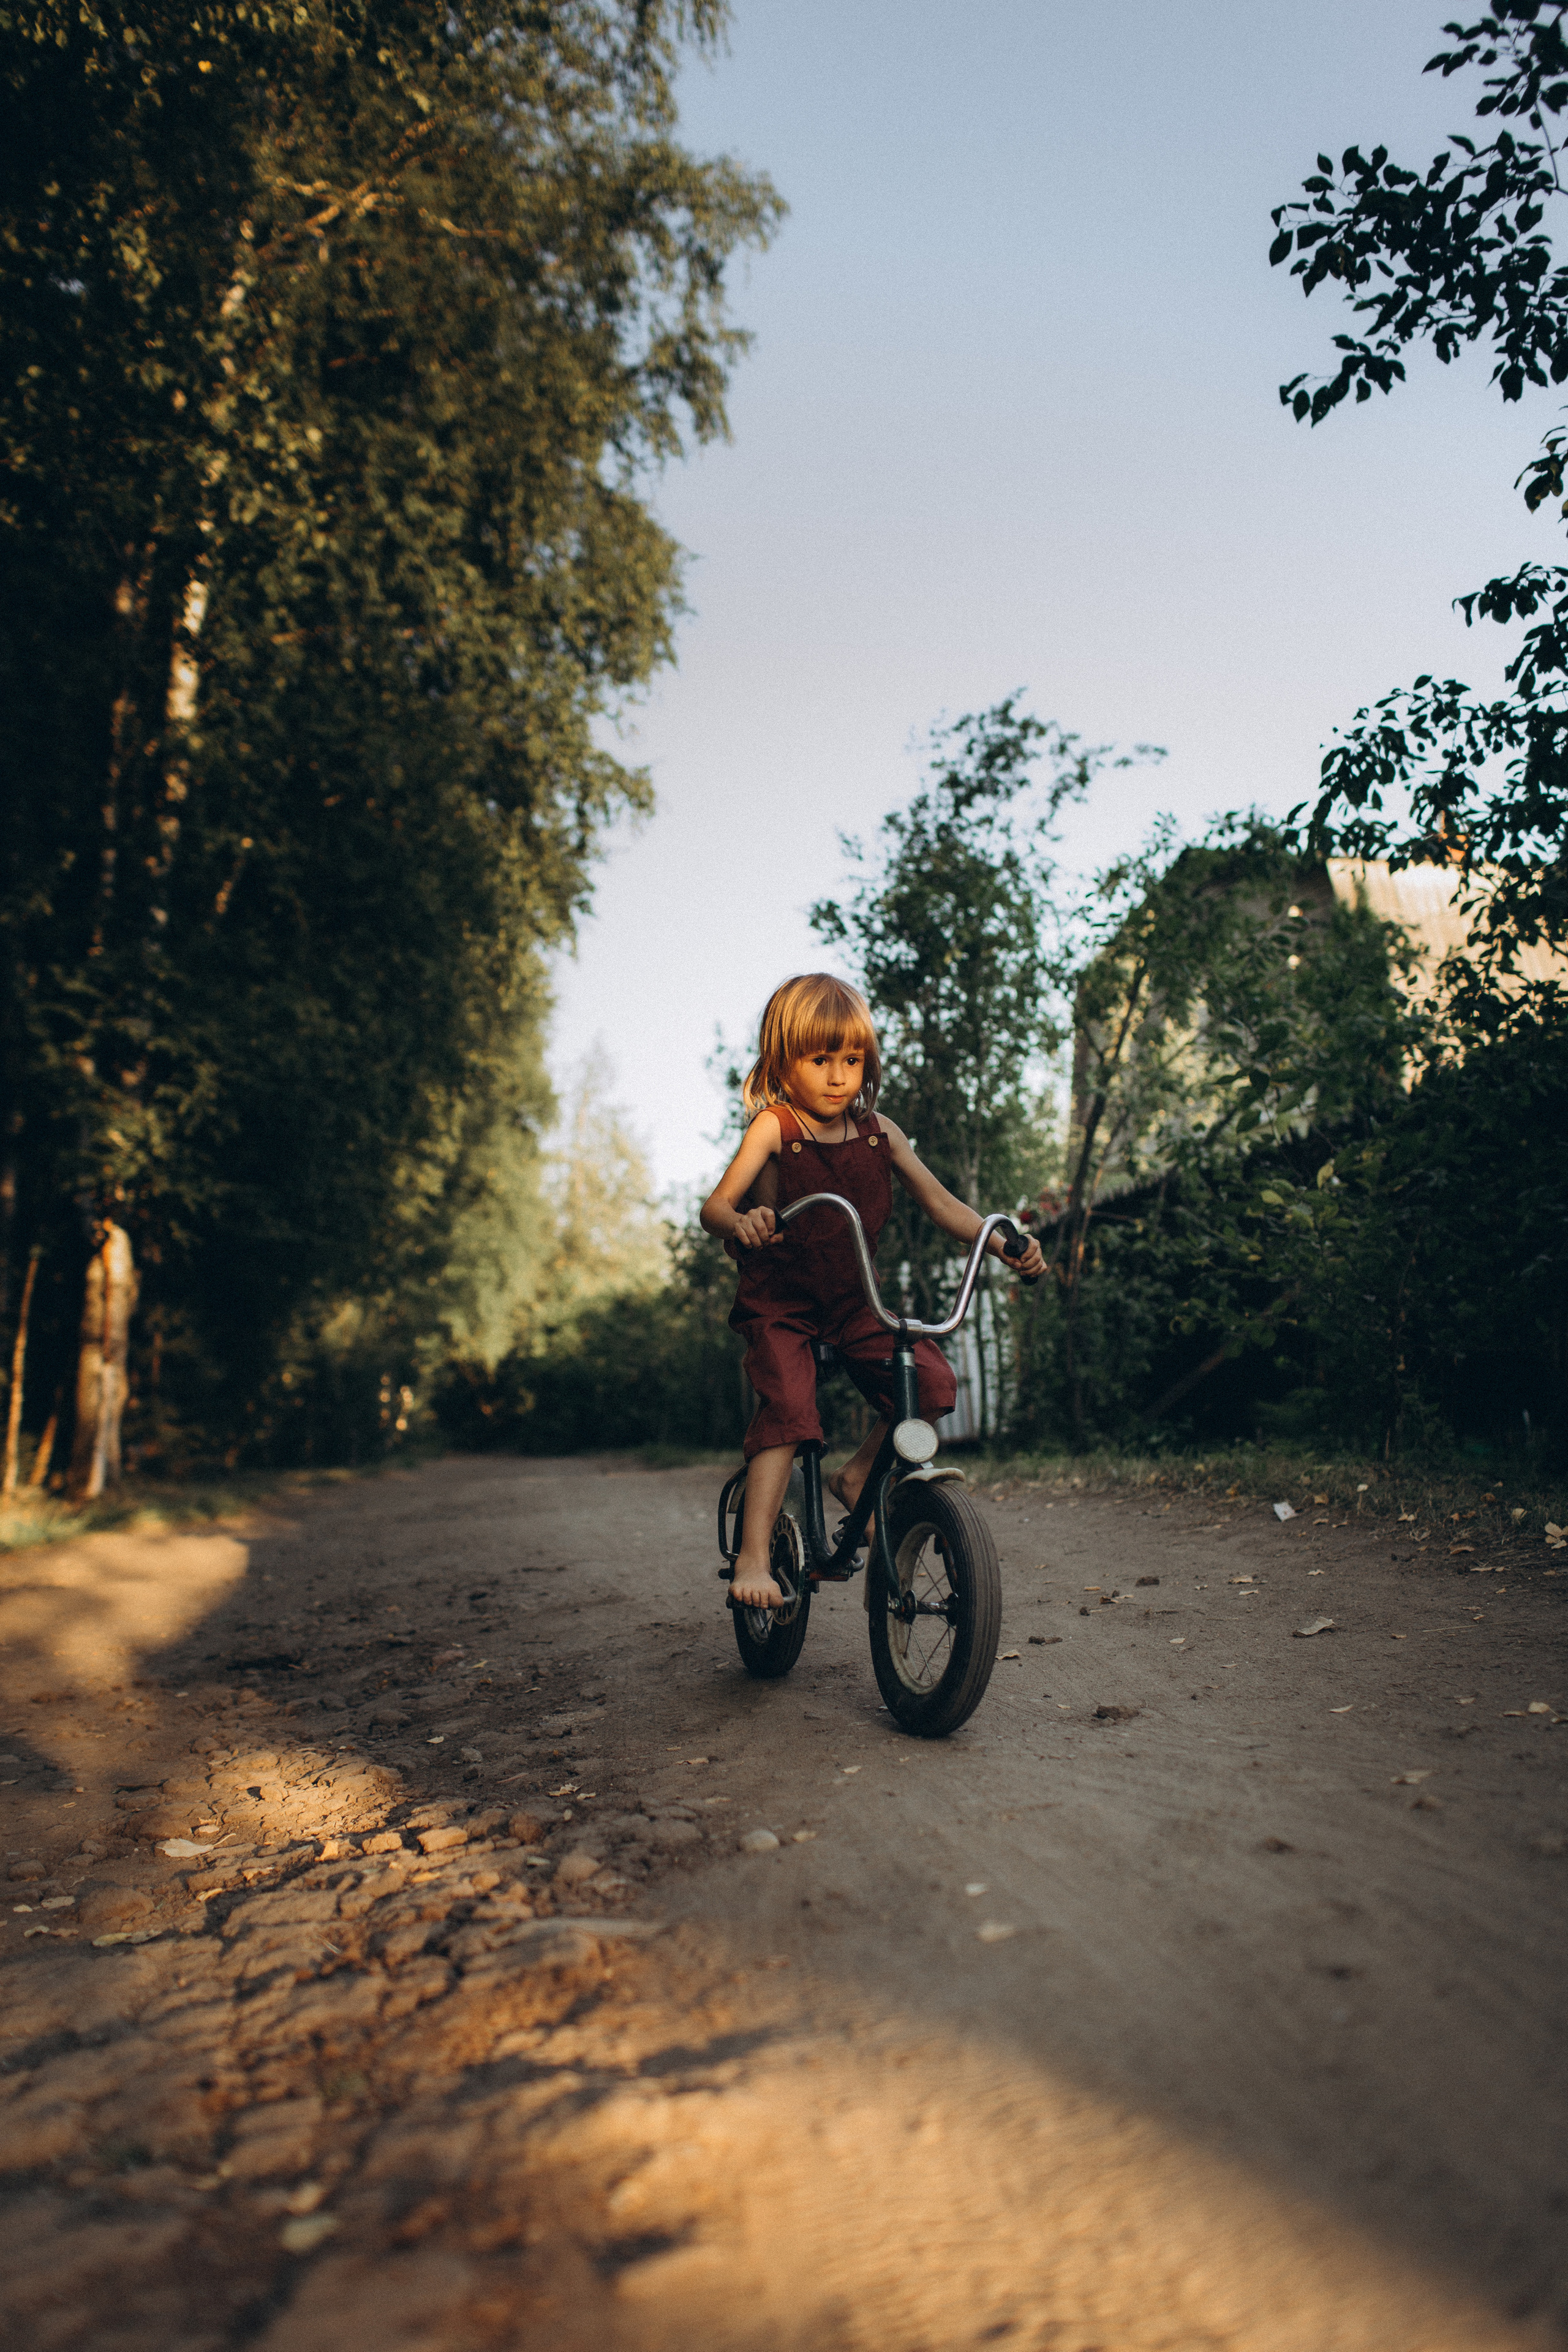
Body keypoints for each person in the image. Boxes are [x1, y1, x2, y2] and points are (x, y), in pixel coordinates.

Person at [700, 973, 1045, 1608]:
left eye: (851, 1060)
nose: (838, 1076)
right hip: (782, 1305)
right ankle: (753, 1558)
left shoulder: (880, 1133)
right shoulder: (775, 1129)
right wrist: (741, 1219)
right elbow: (715, 1207)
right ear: (783, 1062)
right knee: (789, 1415)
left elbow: (941, 1202)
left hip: (857, 1301)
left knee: (933, 1384)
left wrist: (999, 1239)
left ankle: (859, 1475)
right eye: (820, 1059)